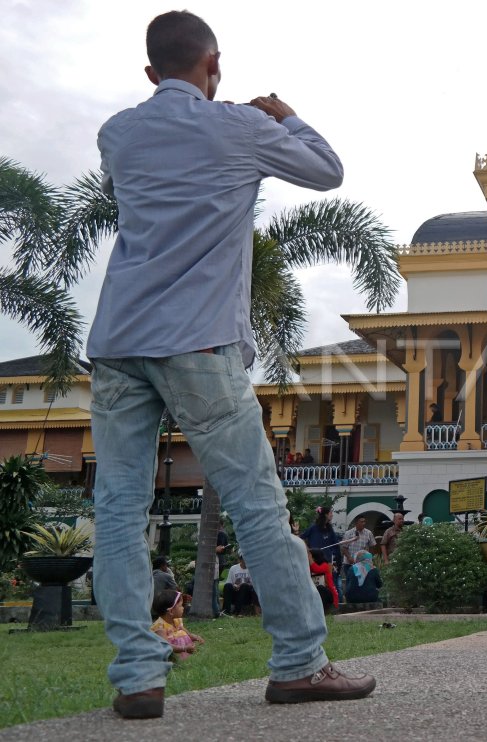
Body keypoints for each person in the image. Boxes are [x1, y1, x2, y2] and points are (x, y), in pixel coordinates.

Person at [83, 12, 379, 715]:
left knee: (120, 509)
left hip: (120, 341)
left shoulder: (117, 134)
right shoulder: (239, 129)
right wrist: (283, 114)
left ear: (150, 72)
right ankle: (301, 661)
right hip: (199, 342)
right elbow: (327, 171)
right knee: (256, 504)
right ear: (215, 63)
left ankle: (137, 675)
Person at [151, 590, 204, 661]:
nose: (183, 608)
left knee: (181, 632)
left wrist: (195, 637)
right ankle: (176, 660)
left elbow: (188, 634)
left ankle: (184, 658)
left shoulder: (177, 621)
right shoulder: (160, 627)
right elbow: (166, 646)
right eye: (180, 605)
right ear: (171, 611)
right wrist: (184, 648)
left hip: (182, 651)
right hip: (169, 656)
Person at [301, 506, 341, 580]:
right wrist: (308, 550)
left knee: (328, 583)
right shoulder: (313, 528)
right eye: (330, 513)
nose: (332, 515)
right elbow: (301, 538)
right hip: (315, 561)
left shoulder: (329, 528)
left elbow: (335, 544)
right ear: (325, 515)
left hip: (328, 561)